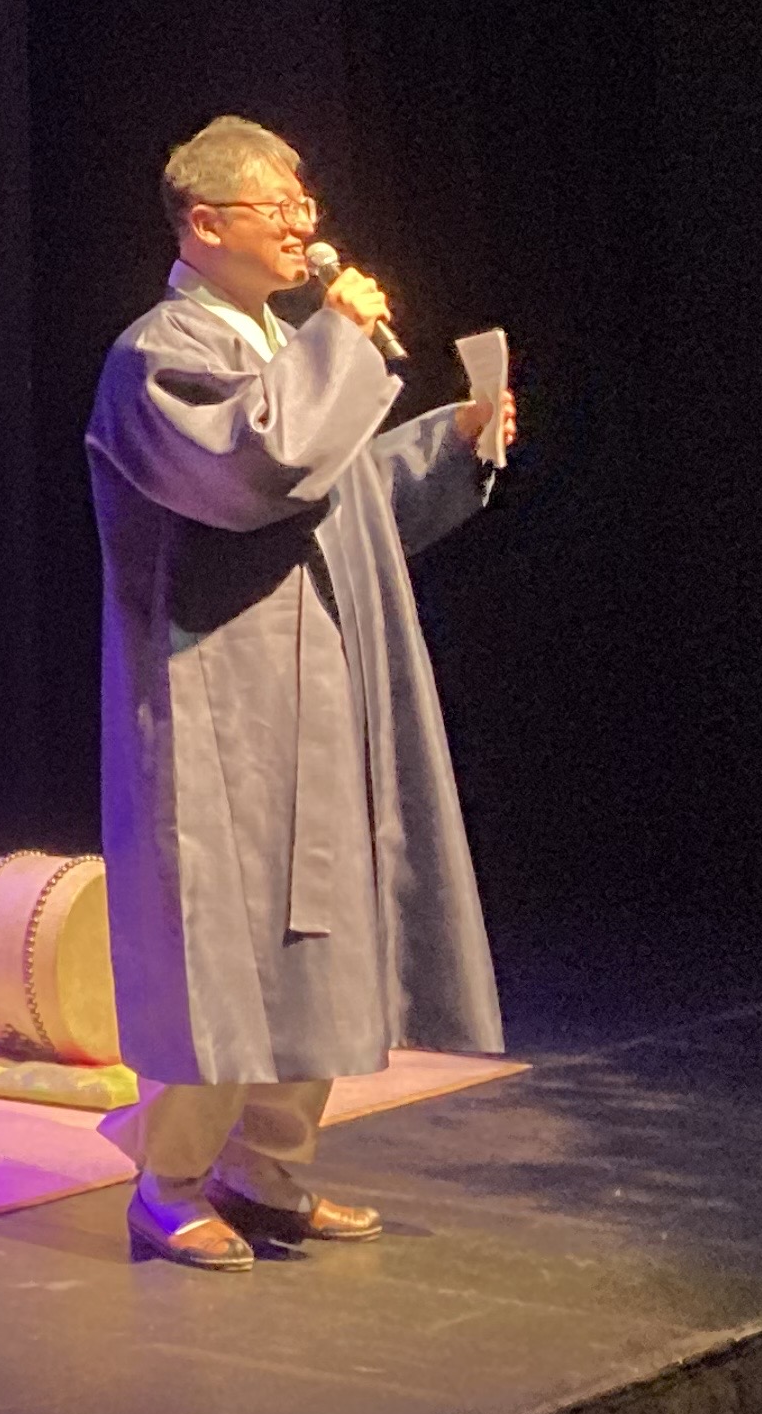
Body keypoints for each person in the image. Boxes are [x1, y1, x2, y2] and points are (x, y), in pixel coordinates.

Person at [86, 116, 517, 1270]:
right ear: (205, 222)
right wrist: (343, 337)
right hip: (215, 695)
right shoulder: (156, 356)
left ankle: (266, 1172)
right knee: (219, 945)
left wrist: (451, 439)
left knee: (317, 930)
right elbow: (257, 468)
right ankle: (169, 1184)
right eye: (278, 207)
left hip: (314, 684)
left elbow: (342, 496)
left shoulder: (284, 346)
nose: (303, 225)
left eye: (304, 204)